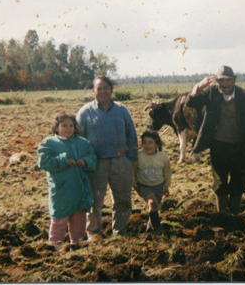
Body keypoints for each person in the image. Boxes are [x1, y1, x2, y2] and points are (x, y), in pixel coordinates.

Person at [187, 65, 245, 215]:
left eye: (227, 80)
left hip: (240, 147)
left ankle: (234, 213)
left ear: (234, 81)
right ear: (217, 83)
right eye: (221, 81)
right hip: (218, 146)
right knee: (220, 182)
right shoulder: (211, 93)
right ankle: (222, 214)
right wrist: (198, 87)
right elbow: (192, 103)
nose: (224, 85)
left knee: (238, 182)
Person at [77, 75, 138, 238]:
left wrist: (130, 158)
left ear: (111, 90)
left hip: (120, 162)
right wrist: (84, 163)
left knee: (122, 200)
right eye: (99, 88)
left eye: (106, 88)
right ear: (93, 91)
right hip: (96, 164)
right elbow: (78, 141)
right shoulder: (85, 112)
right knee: (94, 202)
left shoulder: (121, 110)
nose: (103, 91)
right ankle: (94, 234)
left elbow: (131, 134)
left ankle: (120, 232)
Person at [37, 112, 96, 248]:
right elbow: (43, 162)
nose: (68, 129)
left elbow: (93, 158)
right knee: (58, 222)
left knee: (79, 221)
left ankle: (77, 247)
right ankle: (53, 248)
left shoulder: (83, 143)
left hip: (79, 191)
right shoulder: (49, 143)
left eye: (71, 125)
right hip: (60, 191)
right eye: (64, 125)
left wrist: (85, 161)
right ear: (56, 127)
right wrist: (63, 160)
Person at [132, 130, 172, 231]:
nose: (147, 146)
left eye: (150, 143)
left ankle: (149, 229)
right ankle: (158, 229)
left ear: (157, 144)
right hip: (144, 185)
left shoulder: (163, 158)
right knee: (152, 203)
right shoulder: (138, 156)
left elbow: (167, 173)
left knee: (154, 208)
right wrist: (135, 185)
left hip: (158, 186)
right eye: (144, 143)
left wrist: (166, 187)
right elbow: (133, 171)